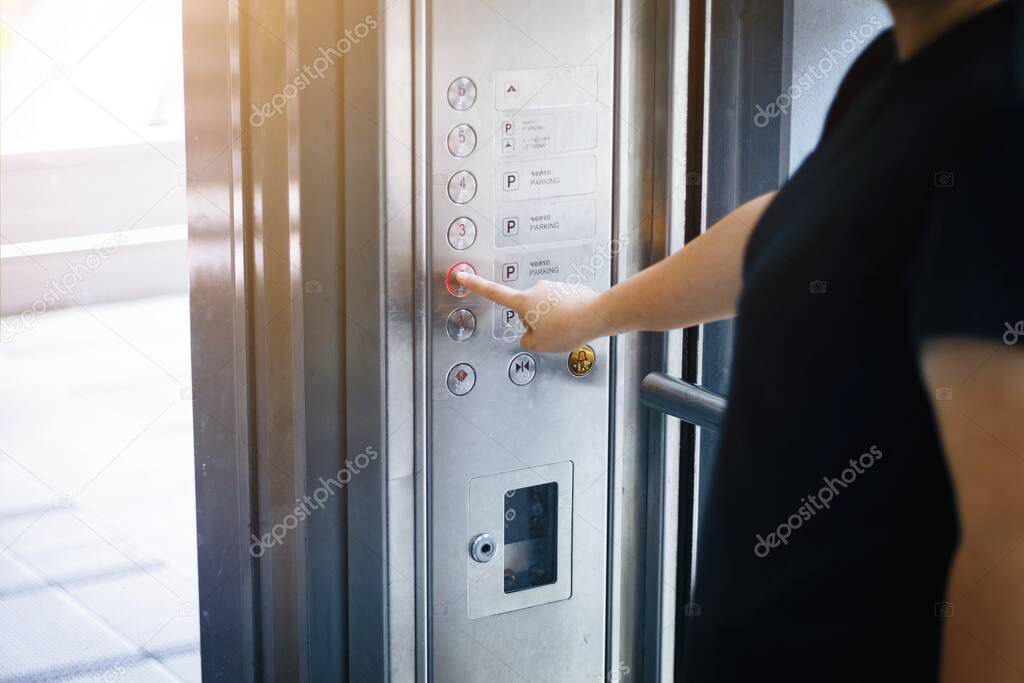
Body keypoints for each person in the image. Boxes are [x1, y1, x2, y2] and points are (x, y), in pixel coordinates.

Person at [457, 0, 1024, 679]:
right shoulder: (896, 66)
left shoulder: (1003, 106)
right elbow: (795, 225)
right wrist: (592, 313)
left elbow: (1010, 543)